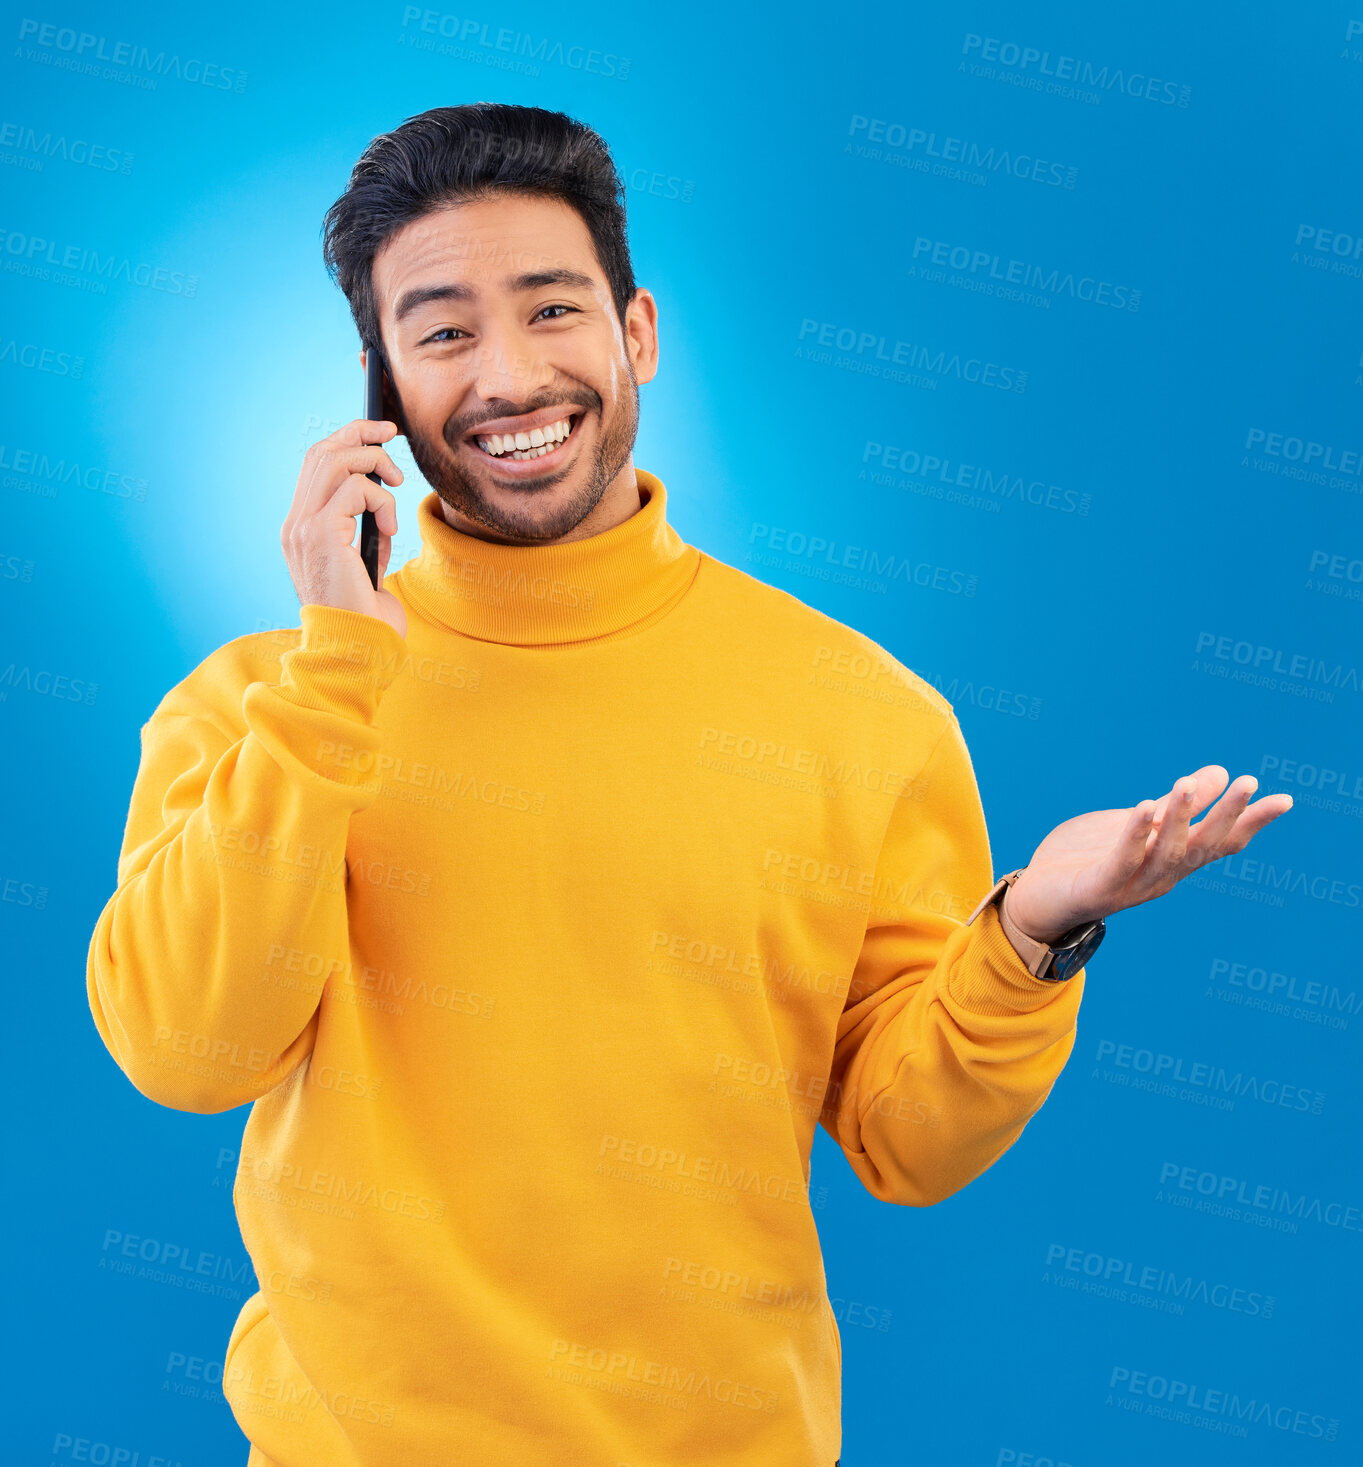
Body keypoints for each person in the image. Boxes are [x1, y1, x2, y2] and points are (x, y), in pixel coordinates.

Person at [85, 103, 1292, 1465]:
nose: (508, 376)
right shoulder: (260, 704)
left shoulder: (859, 714)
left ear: (636, 334)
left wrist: (1025, 937)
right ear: (383, 393)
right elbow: (189, 1051)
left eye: (552, 311)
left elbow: (909, 1142)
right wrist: (338, 675)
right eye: (440, 333)